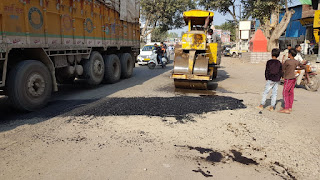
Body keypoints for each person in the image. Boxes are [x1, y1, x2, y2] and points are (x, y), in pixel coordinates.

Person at [279, 49, 304, 114]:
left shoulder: (287, 61)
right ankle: (290, 107)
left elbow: (282, 69)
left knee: (285, 92)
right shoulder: (296, 61)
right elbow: (302, 66)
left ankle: (286, 108)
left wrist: (282, 75)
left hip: (288, 78)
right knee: (291, 92)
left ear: (290, 54)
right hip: (293, 78)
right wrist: (296, 68)